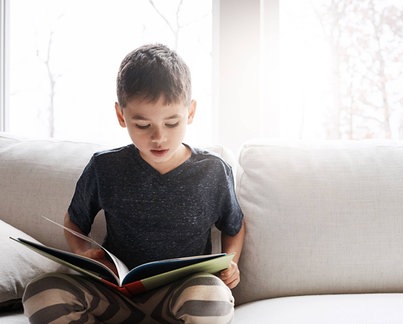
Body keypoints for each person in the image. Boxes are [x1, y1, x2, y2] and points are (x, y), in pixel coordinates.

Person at [22, 43, 245, 324]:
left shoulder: (212, 172)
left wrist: (232, 262)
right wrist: (84, 253)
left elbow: (235, 227)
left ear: (190, 112)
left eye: (172, 123)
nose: (158, 137)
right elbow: (74, 221)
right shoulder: (105, 168)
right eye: (142, 125)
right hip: (114, 294)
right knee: (42, 292)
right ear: (120, 115)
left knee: (212, 296)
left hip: (178, 298)